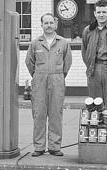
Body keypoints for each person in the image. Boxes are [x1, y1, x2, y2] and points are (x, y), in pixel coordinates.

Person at [25, 13, 72, 157]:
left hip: (57, 80)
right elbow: (29, 62)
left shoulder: (63, 43)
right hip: (39, 80)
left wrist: (59, 76)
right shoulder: (35, 43)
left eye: (51, 23)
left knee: (55, 114)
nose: (49, 25)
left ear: (56, 25)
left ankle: (54, 146)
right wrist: (38, 75)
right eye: (46, 23)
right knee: (39, 113)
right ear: (41, 25)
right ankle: (39, 147)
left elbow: (68, 62)